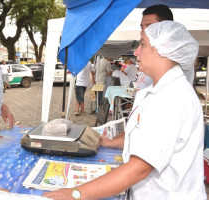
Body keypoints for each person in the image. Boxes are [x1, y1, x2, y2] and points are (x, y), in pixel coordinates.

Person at [43, 21, 206, 200]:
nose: (136, 52)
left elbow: (140, 168)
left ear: (164, 49)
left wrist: (76, 193)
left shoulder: (170, 98)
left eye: (143, 44)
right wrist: (110, 142)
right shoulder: (163, 90)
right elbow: (145, 134)